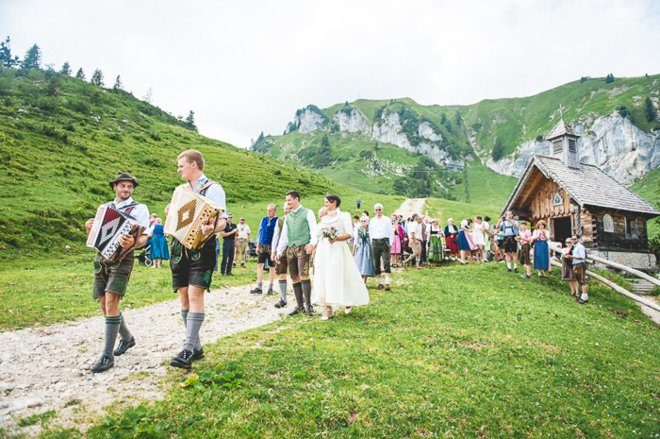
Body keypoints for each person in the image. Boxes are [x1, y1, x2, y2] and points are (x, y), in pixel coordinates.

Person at [85, 173, 150, 373]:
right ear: (115, 187)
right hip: (102, 257)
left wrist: (133, 242)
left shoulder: (140, 209)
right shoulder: (105, 208)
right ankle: (128, 338)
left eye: (129, 187)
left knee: (112, 301)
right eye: (123, 186)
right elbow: (95, 236)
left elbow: (144, 238)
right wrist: (89, 228)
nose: (126, 190)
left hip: (123, 259)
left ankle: (107, 355)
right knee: (104, 303)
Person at [167, 150, 227, 369]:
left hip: (203, 247)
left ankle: (187, 348)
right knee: (184, 295)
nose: (179, 169)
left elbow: (222, 220)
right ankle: (197, 347)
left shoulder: (213, 188)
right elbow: (174, 218)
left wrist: (213, 227)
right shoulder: (180, 191)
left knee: (194, 292)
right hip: (179, 247)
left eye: (181, 165)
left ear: (193, 165)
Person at [312, 195, 369, 320]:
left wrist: (336, 238)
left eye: (327, 202)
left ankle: (348, 299)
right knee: (324, 276)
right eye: (325, 202)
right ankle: (328, 308)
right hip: (324, 250)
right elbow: (318, 233)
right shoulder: (324, 217)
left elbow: (349, 233)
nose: (325, 204)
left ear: (334, 202)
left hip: (338, 250)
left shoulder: (344, 216)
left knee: (341, 275)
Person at [275, 190, 318, 315]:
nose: (287, 202)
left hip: (303, 247)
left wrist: (312, 244)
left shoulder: (307, 212)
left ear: (296, 199)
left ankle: (309, 305)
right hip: (290, 249)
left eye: (289, 200)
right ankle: (299, 306)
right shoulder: (288, 217)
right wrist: (279, 251)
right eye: (286, 200)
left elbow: (313, 229)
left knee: (304, 274)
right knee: (294, 277)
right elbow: (284, 236)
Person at [251, 204, 278, 295]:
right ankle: (259, 286)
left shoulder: (277, 221)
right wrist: (257, 245)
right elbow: (260, 232)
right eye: (267, 210)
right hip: (262, 245)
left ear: (274, 211)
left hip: (272, 246)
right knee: (260, 264)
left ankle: (270, 287)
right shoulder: (263, 219)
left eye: (270, 210)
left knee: (271, 266)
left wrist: (276, 249)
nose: (268, 212)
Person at [270, 203, 291, 308]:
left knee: (296, 273)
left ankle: (301, 296)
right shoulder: (280, 220)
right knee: (281, 272)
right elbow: (275, 236)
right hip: (281, 250)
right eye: (286, 208)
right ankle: (283, 299)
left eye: (289, 208)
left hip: (294, 248)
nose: (287, 210)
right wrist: (273, 251)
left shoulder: (297, 219)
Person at [369, 203, 394, 290]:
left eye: (379, 209)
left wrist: (390, 243)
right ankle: (380, 283)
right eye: (376, 210)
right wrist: (371, 242)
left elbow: (391, 232)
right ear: (374, 210)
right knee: (376, 263)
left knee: (386, 261)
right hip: (375, 242)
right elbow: (370, 233)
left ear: (382, 210)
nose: (378, 211)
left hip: (384, 241)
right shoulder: (372, 220)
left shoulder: (387, 219)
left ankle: (387, 283)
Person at [353, 216, 375, 282]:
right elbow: (355, 240)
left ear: (367, 222)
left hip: (367, 247)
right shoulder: (358, 229)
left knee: (366, 263)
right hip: (360, 247)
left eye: (364, 221)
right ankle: (360, 280)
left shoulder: (370, 229)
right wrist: (353, 250)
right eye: (362, 221)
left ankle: (365, 281)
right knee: (359, 262)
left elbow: (372, 239)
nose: (363, 222)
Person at [571, 235, 589, 304]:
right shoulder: (575, 247)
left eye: (574, 239)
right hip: (576, 264)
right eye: (572, 239)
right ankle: (585, 297)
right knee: (579, 280)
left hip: (580, 264)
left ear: (578, 239)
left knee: (582, 280)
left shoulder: (580, 247)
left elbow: (582, 257)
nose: (573, 240)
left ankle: (583, 298)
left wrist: (572, 256)